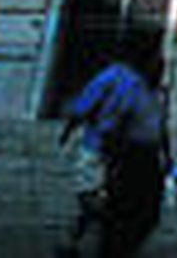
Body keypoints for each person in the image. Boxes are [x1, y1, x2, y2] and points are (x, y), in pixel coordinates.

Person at [57, 47, 170, 257]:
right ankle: (83, 242)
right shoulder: (124, 81)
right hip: (105, 149)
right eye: (157, 65)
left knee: (121, 206)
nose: (160, 70)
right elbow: (98, 108)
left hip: (134, 154)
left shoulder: (155, 91)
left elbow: (160, 127)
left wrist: (166, 156)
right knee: (96, 201)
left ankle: (82, 241)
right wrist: (70, 129)